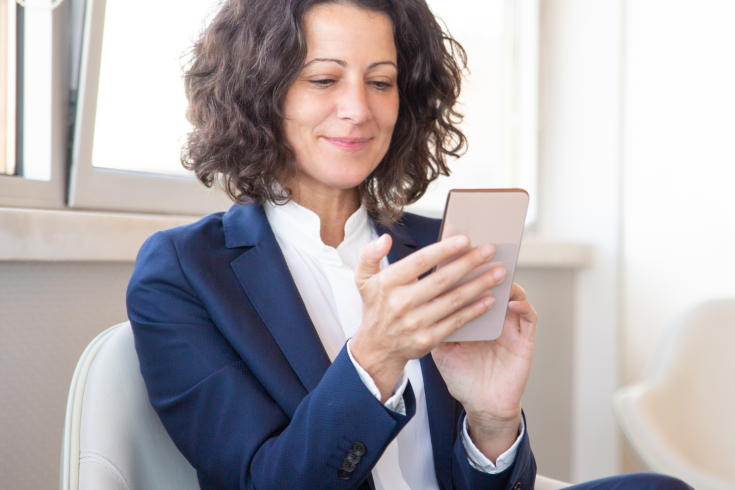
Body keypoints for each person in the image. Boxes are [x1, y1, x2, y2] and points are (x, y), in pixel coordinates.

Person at [126, 1, 691, 489]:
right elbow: (264, 481)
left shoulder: (435, 247)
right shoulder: (184, 273)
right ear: (260, 92)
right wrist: (376, 358)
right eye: (324, 80)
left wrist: (492, 422)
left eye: (381, 81)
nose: (359, 110)